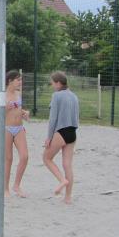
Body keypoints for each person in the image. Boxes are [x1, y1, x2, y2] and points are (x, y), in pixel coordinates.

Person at [43, 71, 79, 204]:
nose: (52, 85)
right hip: (72, 132)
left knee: (46, 158)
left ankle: (62, 180)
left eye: (52, 83)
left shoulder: (56, 95)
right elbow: (76, 117)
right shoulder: (74, 96)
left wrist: (49, 137)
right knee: (67, 165)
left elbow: (53, 119)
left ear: (58, 83)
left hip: (61, 131)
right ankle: (68, 198)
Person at [0, 70, 30, 197]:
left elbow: (18, 109)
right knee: (8, 159)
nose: (20, 82)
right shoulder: (2, 95)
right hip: (6, 129)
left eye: (21, 79)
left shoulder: (18, 94)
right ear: (10, 81)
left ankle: (16, 186)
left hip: (19, 128)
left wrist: (24, 113)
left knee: (25, 156)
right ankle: (5, 189)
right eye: (18, 80)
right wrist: (4, 109)